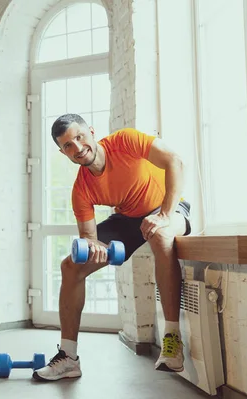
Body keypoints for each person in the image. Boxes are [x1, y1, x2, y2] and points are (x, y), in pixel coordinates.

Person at [32, 114, 192, 382]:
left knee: (161, 236)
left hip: (169, 207)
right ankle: (68, 357)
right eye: (68, 146)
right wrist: (92, 246)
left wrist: (164, 214)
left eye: (79, 137)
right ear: (63, 152)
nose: (77, 148)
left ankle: (172, 340)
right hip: (129, 220)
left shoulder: (125, 141)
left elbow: (175, 161)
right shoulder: (82, 189)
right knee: (70, 266)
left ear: (91, 132)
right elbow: (88, 237)